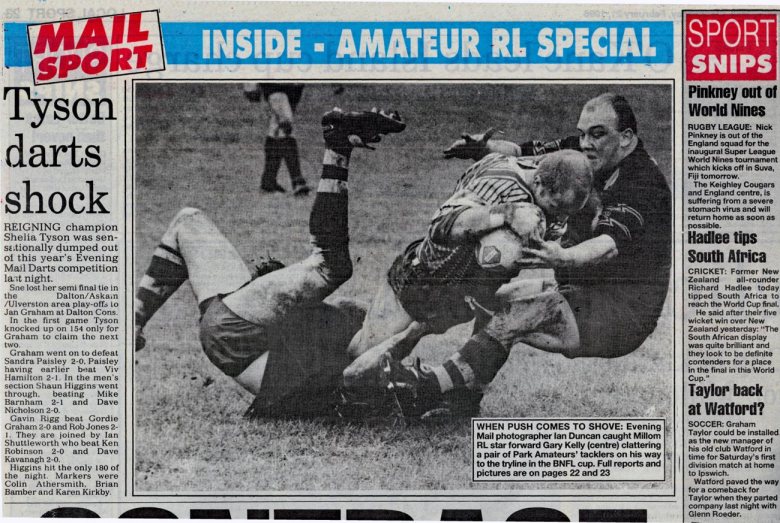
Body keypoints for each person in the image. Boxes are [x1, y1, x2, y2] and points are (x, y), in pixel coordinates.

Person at [388, 92, 671, 417]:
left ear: (626, 138)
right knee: (497, 298)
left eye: (597, 133)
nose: (585, 142)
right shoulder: (585, 153)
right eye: (582, 133)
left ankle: (424, 387)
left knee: (524, 310)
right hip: (582, 290)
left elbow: (607, 245)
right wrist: (482, 148)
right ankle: (463, 398)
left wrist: (562, 257)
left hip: (622, 312)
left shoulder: (644, 183)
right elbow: (527, 150)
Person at [134, 108, 406, 418]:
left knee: (331, 267)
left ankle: (338, 146)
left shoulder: (337, 354)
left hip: (234, 328)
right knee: (189, 220)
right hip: (234, 327)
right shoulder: (348, 346)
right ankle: (338, 144)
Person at [342, 147, 594, 389]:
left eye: (569, 213)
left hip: (461, 296)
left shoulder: (551, 178)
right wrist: (505, 214)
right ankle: (339, 324)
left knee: (395, 352)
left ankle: (464, 392)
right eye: (557, 209)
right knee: (357, 361)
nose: (561, 219)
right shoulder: (500, 184)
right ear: (538, 182)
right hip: (422, 281)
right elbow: (440, 225)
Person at [243, 83, 310, 196]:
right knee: (285, 122)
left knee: (276, 127)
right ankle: (297, 180)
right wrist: (249, 85)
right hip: (274, 83)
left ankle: (268, 182)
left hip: (295, 85)